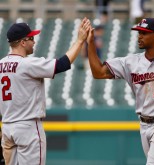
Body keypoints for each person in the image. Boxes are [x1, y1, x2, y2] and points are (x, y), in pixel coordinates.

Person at [0, 17, 90, 165]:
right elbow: (62, 64)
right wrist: (80, 41)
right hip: (27, 127)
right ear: (23, 42)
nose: (34, 41)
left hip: (7, 128)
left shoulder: (1, 64)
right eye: (31, 38)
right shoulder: (27, 63)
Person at [87, 18, 154, 165]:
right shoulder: (130, 62)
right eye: (138, 32)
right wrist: (90, 43)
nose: (139, 36)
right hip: (144, 124)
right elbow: (98, 73)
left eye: (144, 33)